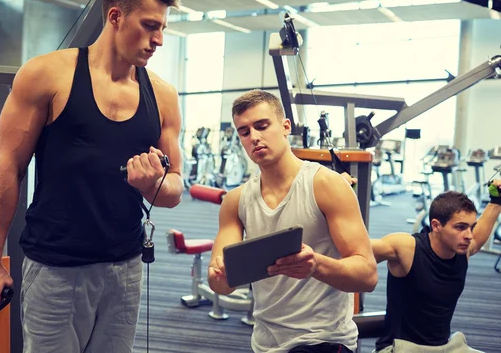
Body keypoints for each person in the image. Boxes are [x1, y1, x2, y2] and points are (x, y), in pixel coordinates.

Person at [0, 0, 184, 353]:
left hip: (125, 268)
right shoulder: (47, 75)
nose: (159, 40)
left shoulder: (163, 96)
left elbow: (174, 190)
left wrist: (152, 183)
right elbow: (9, 168)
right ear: (115, 16)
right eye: (150, 25)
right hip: (56, 268)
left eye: (164, 29)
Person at [208, 90, 378, 353]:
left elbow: (367, 275)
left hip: (323, 340)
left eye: (262, 126)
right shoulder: (235, 201)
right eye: (244, 132)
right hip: (265, 343)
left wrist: (315, 265)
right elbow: (219, 285)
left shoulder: (325, 185)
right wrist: (221, 274)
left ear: (285, 126)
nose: (254, 137)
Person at [371, 181, 501, 353]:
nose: (469, 235)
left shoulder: (463, 250)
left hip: (444, 347)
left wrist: (496, 200)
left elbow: (477, 240)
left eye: (471, 227)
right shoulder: (406, 247)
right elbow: (355, 249)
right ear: (436, 226)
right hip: (401, 348)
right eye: (460, 227)